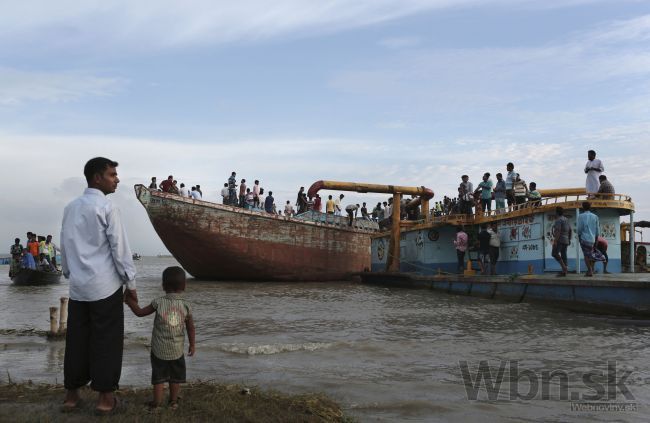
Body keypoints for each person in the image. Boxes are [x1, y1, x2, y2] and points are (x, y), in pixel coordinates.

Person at [60, 157, 137, 415]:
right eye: (112, 174)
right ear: (97, 178)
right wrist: (131, 283)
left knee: (77, 341)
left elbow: (66, 244)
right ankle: (105, 401)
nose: (117, 179)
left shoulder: (71, 208)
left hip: (79, 288)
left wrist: (70, 273)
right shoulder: (107, 207)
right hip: (104, 287)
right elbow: (120, 248)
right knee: (106, 342)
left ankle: (72, 397)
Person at [125, 266, 195, 412]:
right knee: (175, 378)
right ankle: (173, 402)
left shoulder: (158, 302)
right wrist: (192, 345)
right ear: (184, 286)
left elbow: (139, 312)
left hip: (158, 350)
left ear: (163, 286)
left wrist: (129, 301)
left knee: (159, 378)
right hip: (177, 350)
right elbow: (191, 328)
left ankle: (156, 404)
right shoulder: (186, 305)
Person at [577, 202, 600, 277]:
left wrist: (579, 237)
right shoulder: (595, 216)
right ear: (590, 207)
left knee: (586, 255)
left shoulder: (581, 216)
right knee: (591, 254)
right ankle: (590, 269)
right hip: (593, 239)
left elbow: (579, 229)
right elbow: (597, 230)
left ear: (583, 207)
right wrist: (596, 239)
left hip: (584, 238)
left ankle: (590, 271)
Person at [551, 206, 572, 277]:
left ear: (556, 212)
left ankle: (564, 267)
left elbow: (558, 231)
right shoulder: (566, 219)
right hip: (566, 240)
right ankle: (564, 272)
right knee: (564, 255)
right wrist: (569, 239)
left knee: (554, 253)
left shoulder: (558, 220)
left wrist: (555, 241)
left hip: (560, 240)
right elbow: (570, 230)